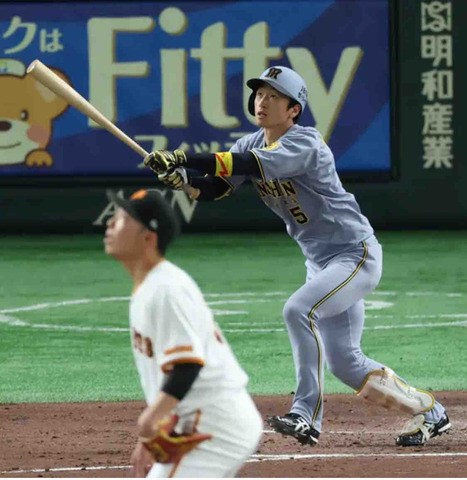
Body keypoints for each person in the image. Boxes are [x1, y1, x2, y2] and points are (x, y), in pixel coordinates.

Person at [142, 66, 451, 448]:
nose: (262, 101)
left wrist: (181, 157)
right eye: (259, 94)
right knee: (346, 363)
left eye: (274, 96)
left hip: (354, 254)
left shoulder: (306, 143)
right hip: (320, 263)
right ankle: (430, 411)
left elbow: (246, 165)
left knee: (298, 310)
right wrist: (183, 180)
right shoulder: (251, 142)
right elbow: (214, 188)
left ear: (294, 109)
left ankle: (305, 416)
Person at [104, 189, 263, 477]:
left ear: (148, 238)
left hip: (214, 426)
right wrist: (151, 431)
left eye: (123, 219)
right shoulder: (152, 285)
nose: (111, 224)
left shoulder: (165, 289)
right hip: (202, 422)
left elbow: (187, 365)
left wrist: (148, 422)